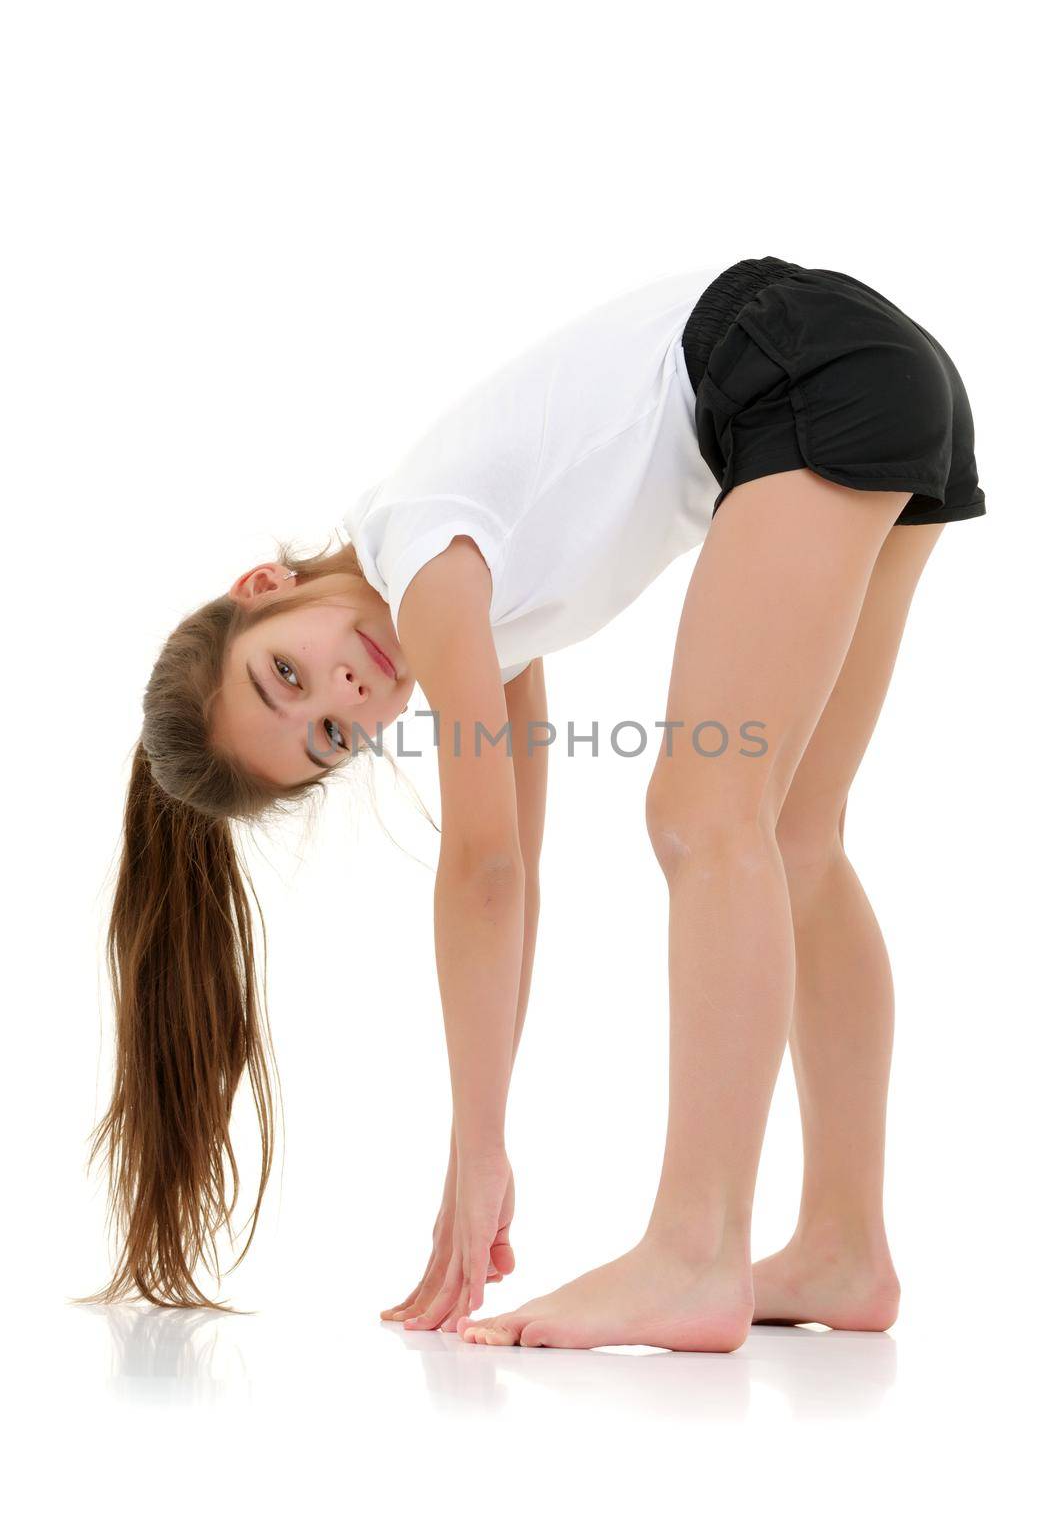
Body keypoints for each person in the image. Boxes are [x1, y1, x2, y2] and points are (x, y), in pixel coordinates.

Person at [81, 256, 986, 1348]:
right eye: (325, 735)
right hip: (867, 369)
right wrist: (483, 1132)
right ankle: (844, 1244)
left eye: (286, 670)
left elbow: (483, 869)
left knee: (703, 814)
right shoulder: (472, 605)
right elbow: (518, 869)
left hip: (793, 358)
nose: (344, 693)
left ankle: (695, 1249)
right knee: (791, 834)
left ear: (260, 593)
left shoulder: (422, 557)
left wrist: (476, 1149)